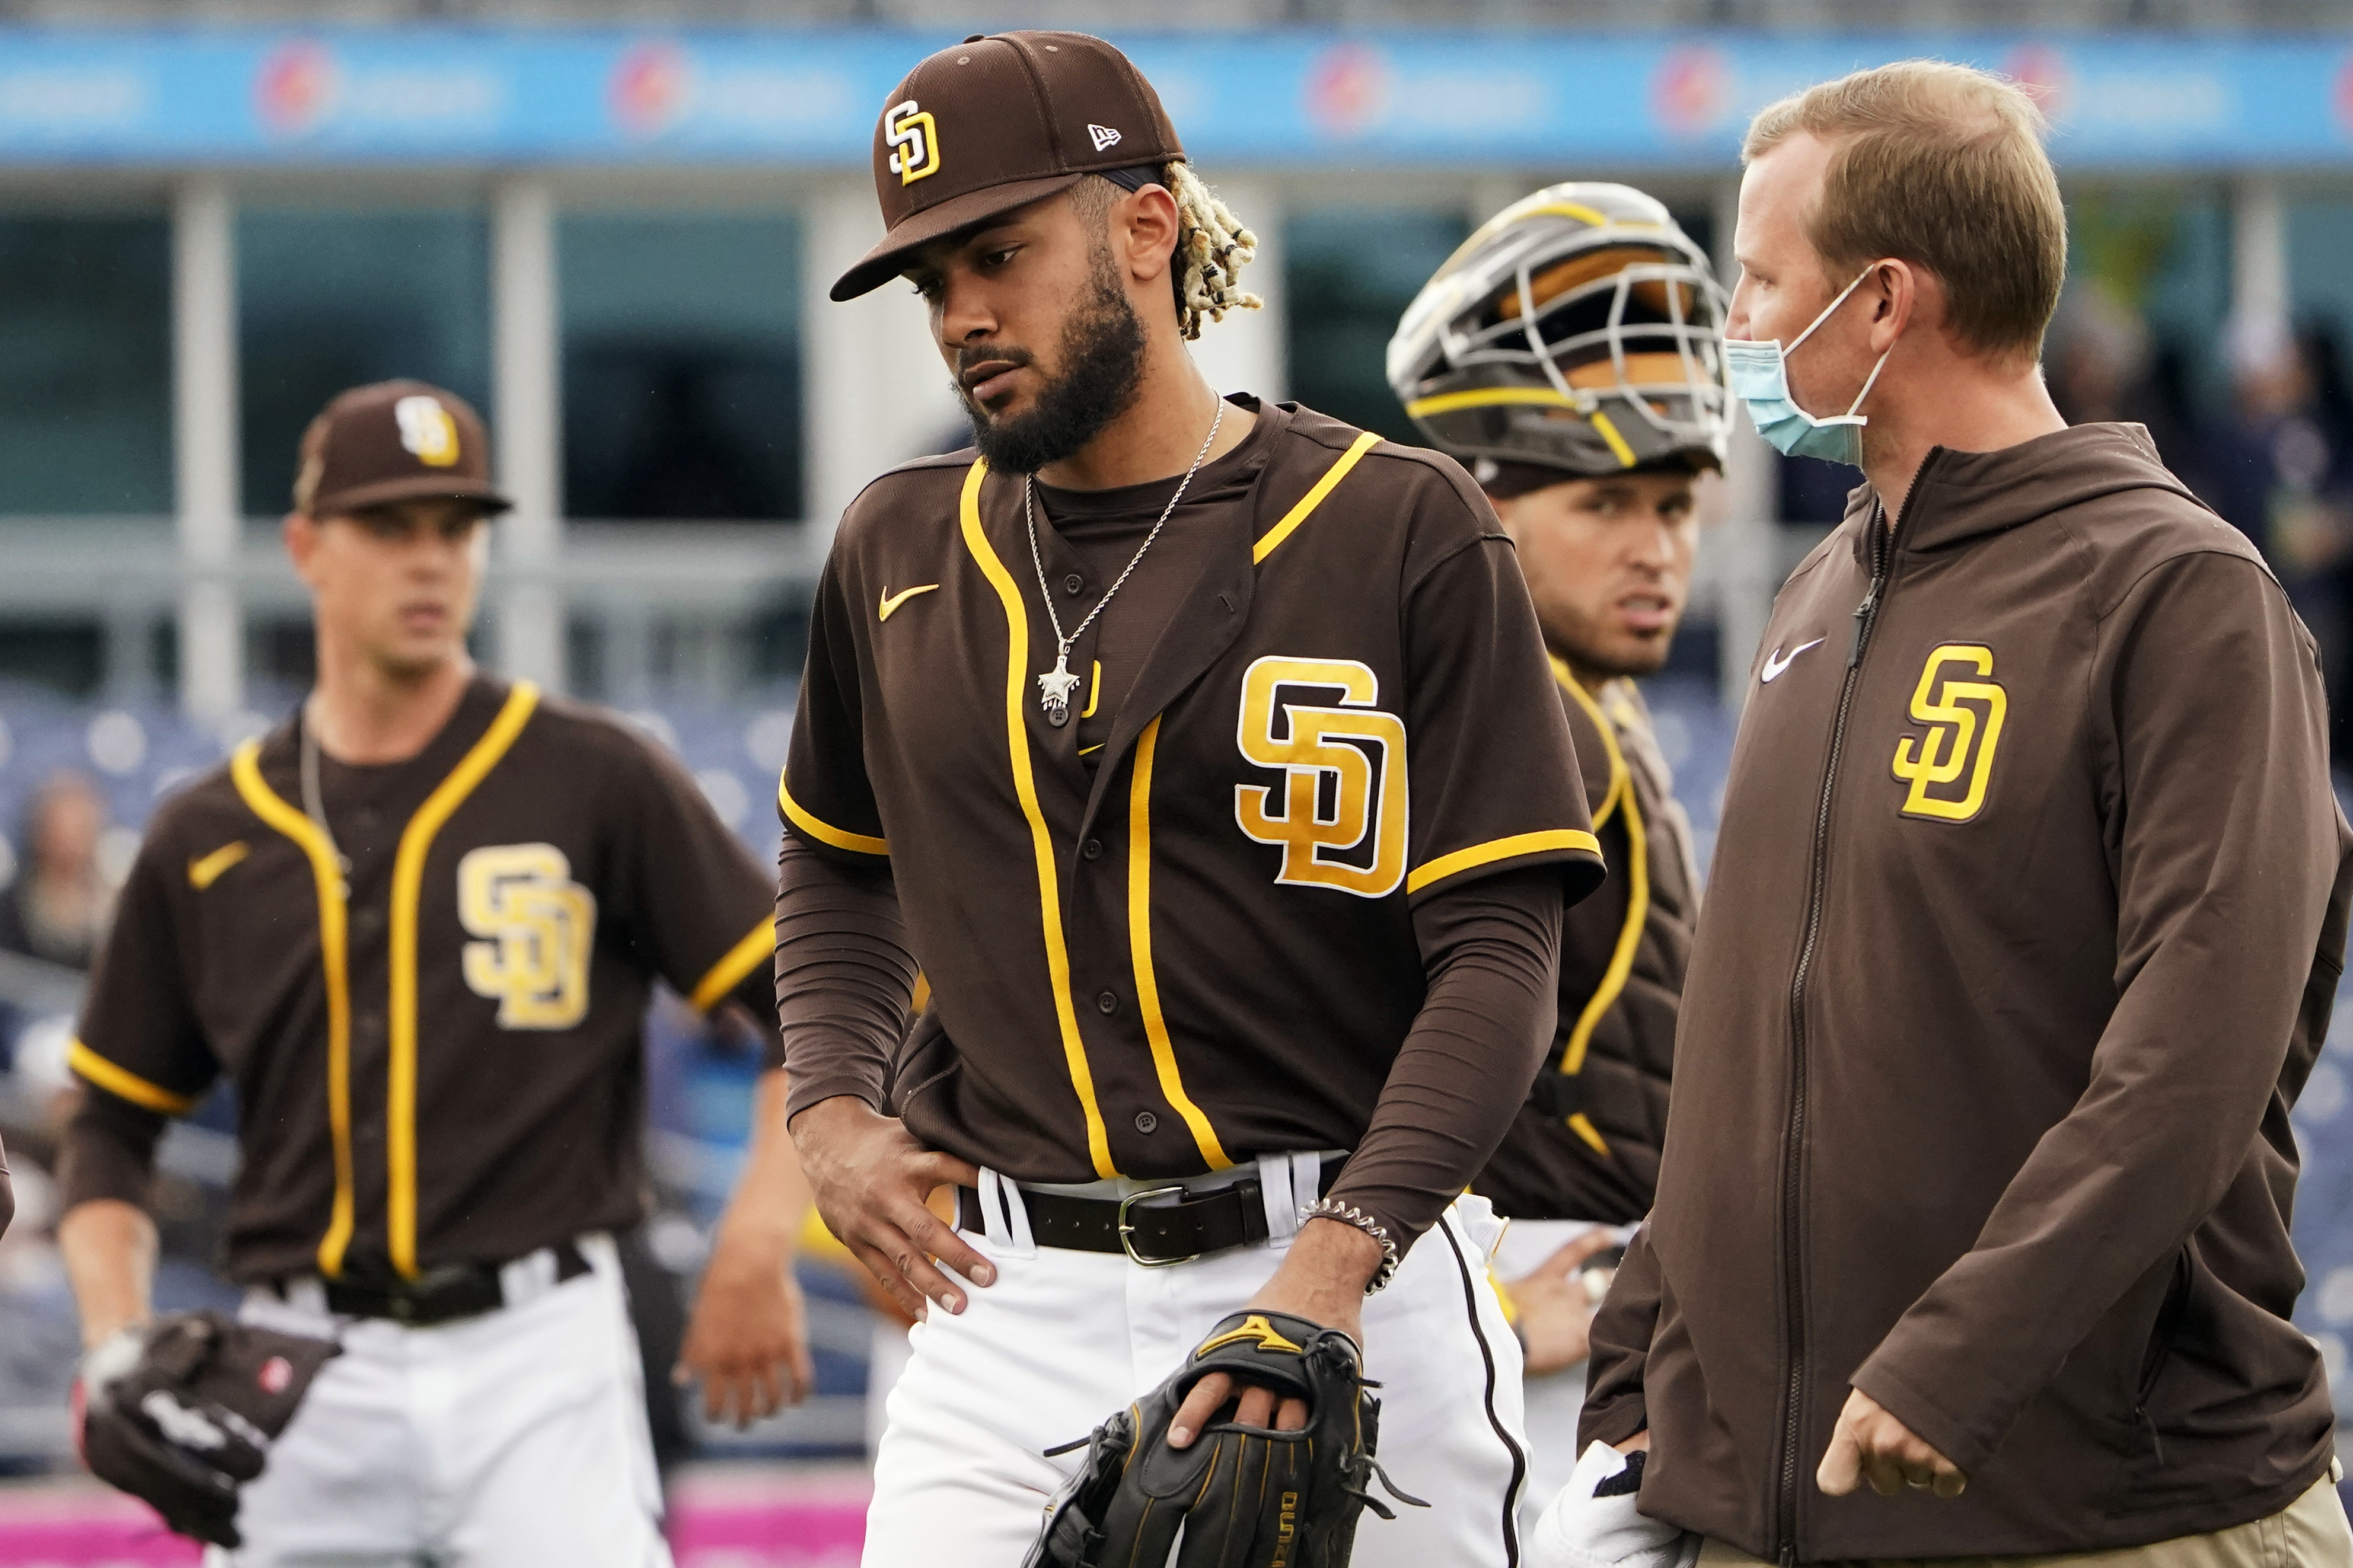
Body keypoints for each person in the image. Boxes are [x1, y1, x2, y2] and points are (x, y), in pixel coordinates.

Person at [721, 29, 1606, 1567]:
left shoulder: (1400, 525)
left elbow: (1500, 955)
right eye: (931, 281)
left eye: (998, 252)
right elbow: (836, 867)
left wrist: (1335, 1265)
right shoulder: (895, 545)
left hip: (1354, 1257)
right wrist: (831, 1112)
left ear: (1146, 226)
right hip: (1011, 1303)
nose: (963, 315)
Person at [1561, 59, 2353, 1565]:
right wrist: (1643, 1349)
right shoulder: (1818, 583)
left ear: (1877, 304)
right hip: (1780, 1506)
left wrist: (1958, 1355)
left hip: (2096, 1515)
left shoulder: (2177, 597)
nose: (1728, 323)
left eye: (1753, 278)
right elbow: (1754, 1031)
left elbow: (2192, 1058)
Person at [52, 379, 803, 1566]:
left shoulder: (594, 774)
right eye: (389, 525)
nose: (430, 559)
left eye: (455, 527)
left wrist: (758, 1239)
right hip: (298, 1363)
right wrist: (111, 1339)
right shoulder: (207, 831)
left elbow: (808, 1013)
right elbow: (109, 1123)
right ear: (306, 547)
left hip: (541, 1349)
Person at [1386, 181, 1720, 1518]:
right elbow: (1366, 1051)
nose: (1657, 552)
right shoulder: (1506, 721)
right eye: (1607, 506)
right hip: (1509, 1327)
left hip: (1580, 1312)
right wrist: (1463, 1295)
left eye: (1678, 509)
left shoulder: (1587, 700)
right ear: (1487, 507)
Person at [0, 769, 117, 971]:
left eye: (81, 830)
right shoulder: (9, 913)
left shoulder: (114, 915)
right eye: (62, 831)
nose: (70, 845)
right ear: (40, 833)